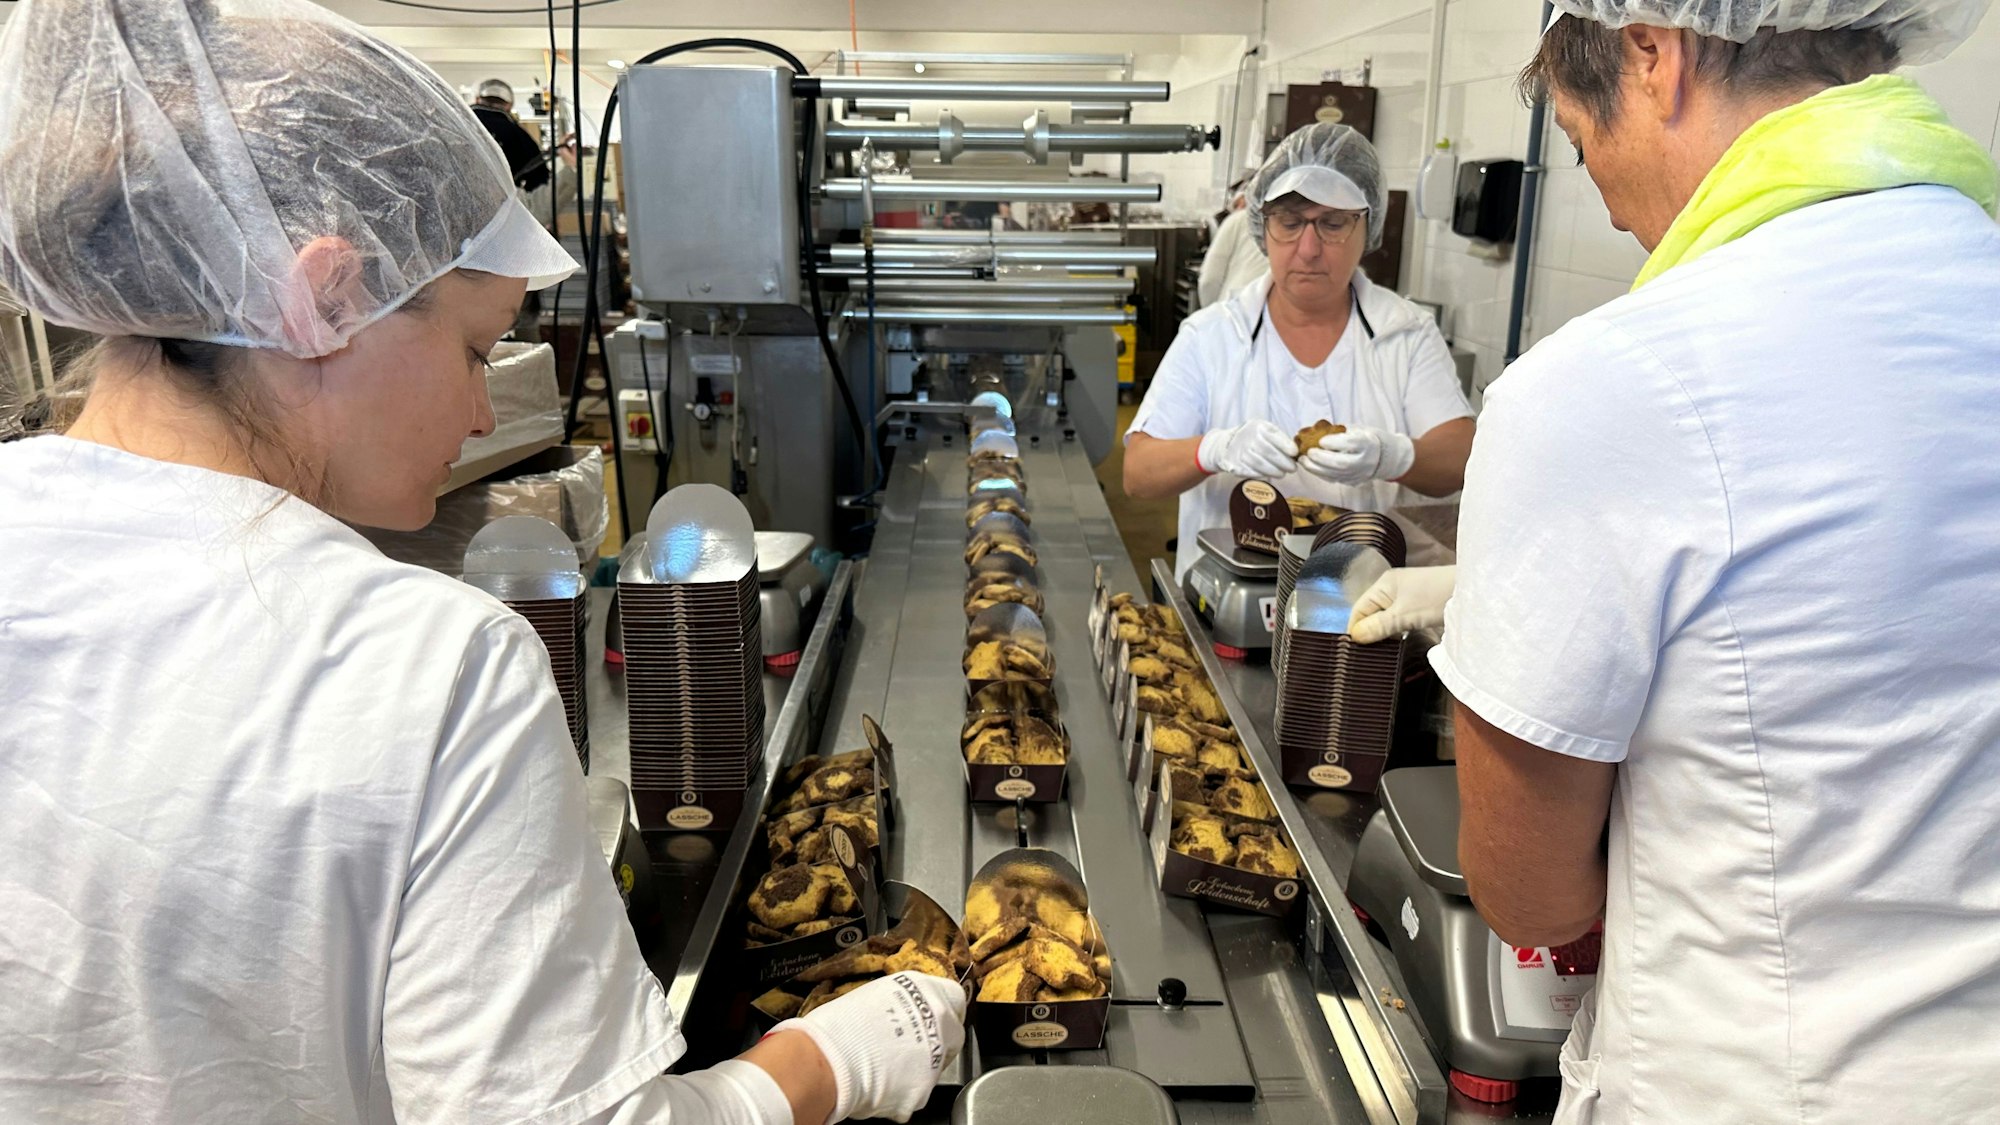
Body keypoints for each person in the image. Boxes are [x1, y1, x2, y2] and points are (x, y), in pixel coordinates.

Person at [0, 3, 964, 1123]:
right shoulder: (427, 669)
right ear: (324, 296)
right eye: (474, 348)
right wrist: (825, 1063)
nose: (481, 409)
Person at [1349, 0, 2000, 1121]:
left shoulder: (1610, 382)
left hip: (1762, 1081)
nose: (1603, 198)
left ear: (1654, 52)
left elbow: (1530, 894)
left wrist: (1520, 630)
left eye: (1578, 135)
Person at [1123, 123, 1475, 581]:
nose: (1308, 249)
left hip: (1364, 598)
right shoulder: (1211, 336)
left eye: (1333, 223)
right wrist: (1214, 449)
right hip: (1232, 596)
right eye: (1290, 223)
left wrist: (1392, 457)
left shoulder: (1405, 334)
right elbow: (1138, 474)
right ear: (1262, 228)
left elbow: (1461, 460)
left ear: (1367, 226)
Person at [472, 77, 555, 195]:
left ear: (477, 99)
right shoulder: (519, 136)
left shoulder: (455, 126)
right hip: (502, 202)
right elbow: (540, 182)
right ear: (509, 105)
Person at [1196, 178, 1266, 307]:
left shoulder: (1237, 219)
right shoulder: (1283, 225)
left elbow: (1209, 280)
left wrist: (1211, 313)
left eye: (1236, 205)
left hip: (1234, 307)